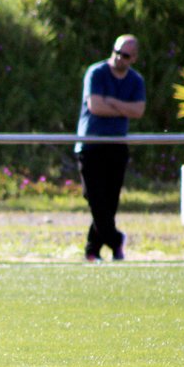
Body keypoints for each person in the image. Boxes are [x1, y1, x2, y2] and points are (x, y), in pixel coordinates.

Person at [75, 34, 146, 262]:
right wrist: (124, 108)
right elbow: (95, 106)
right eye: (116, 52)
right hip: (91, 145)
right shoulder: (96, 72)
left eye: (124, 55)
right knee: (94, 197)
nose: (118, 58)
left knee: (109, 202)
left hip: (116, 145)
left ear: (133, 58)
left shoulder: (136, 80)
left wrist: (112, 102)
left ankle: (92, 251)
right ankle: (116, 240)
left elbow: (138, 111)